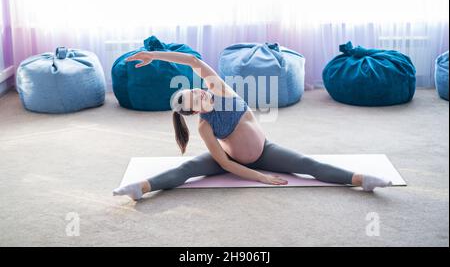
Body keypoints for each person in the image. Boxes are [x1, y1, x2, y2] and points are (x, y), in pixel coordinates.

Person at [113, 50, 392, 200]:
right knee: (187, 169)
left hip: (266, 151)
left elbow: (192, 61)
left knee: (309, 165)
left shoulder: (221, 90)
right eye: (191, 98)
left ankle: (361, 180)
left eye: (193, 89)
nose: (197, 92)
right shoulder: (204, 127)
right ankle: (142, 187)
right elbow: (224, 163)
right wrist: (259, 177)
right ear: (192, 110)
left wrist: (154, 55)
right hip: (234, 160)